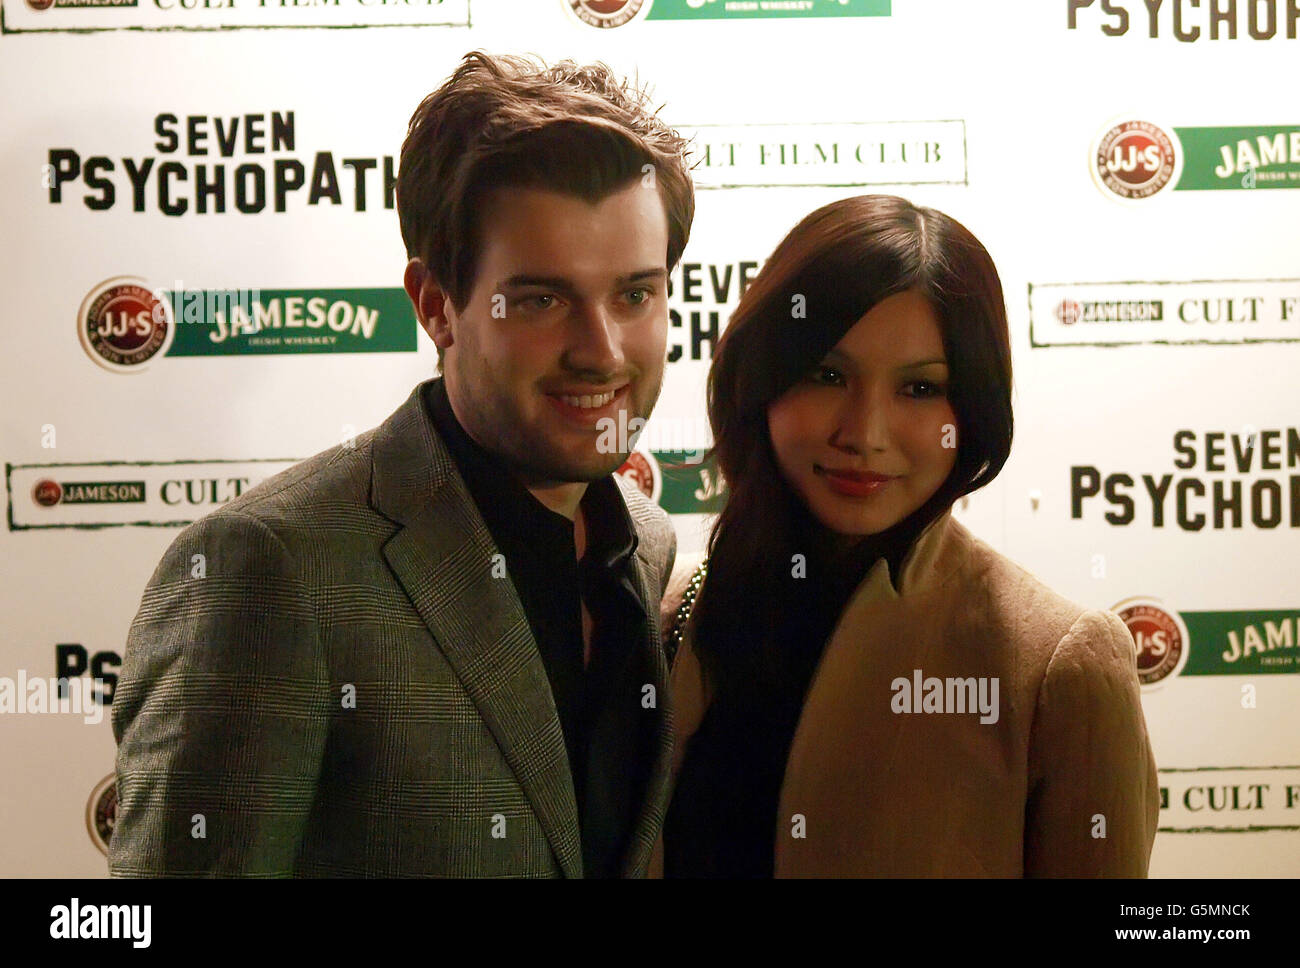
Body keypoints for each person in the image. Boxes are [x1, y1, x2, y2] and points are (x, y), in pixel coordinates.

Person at [109, 50, 695, 878]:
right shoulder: (272, 568)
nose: (602, 352)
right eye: (540, 300)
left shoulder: (645, 543)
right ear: (434, 307)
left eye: (635, 294)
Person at [656, 194, 1159, 877]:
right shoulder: (665, 608)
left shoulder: (1059, 666)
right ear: (761, 381)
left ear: (972, 408)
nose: (864, 433)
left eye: (920, 390)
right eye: (826, 375)